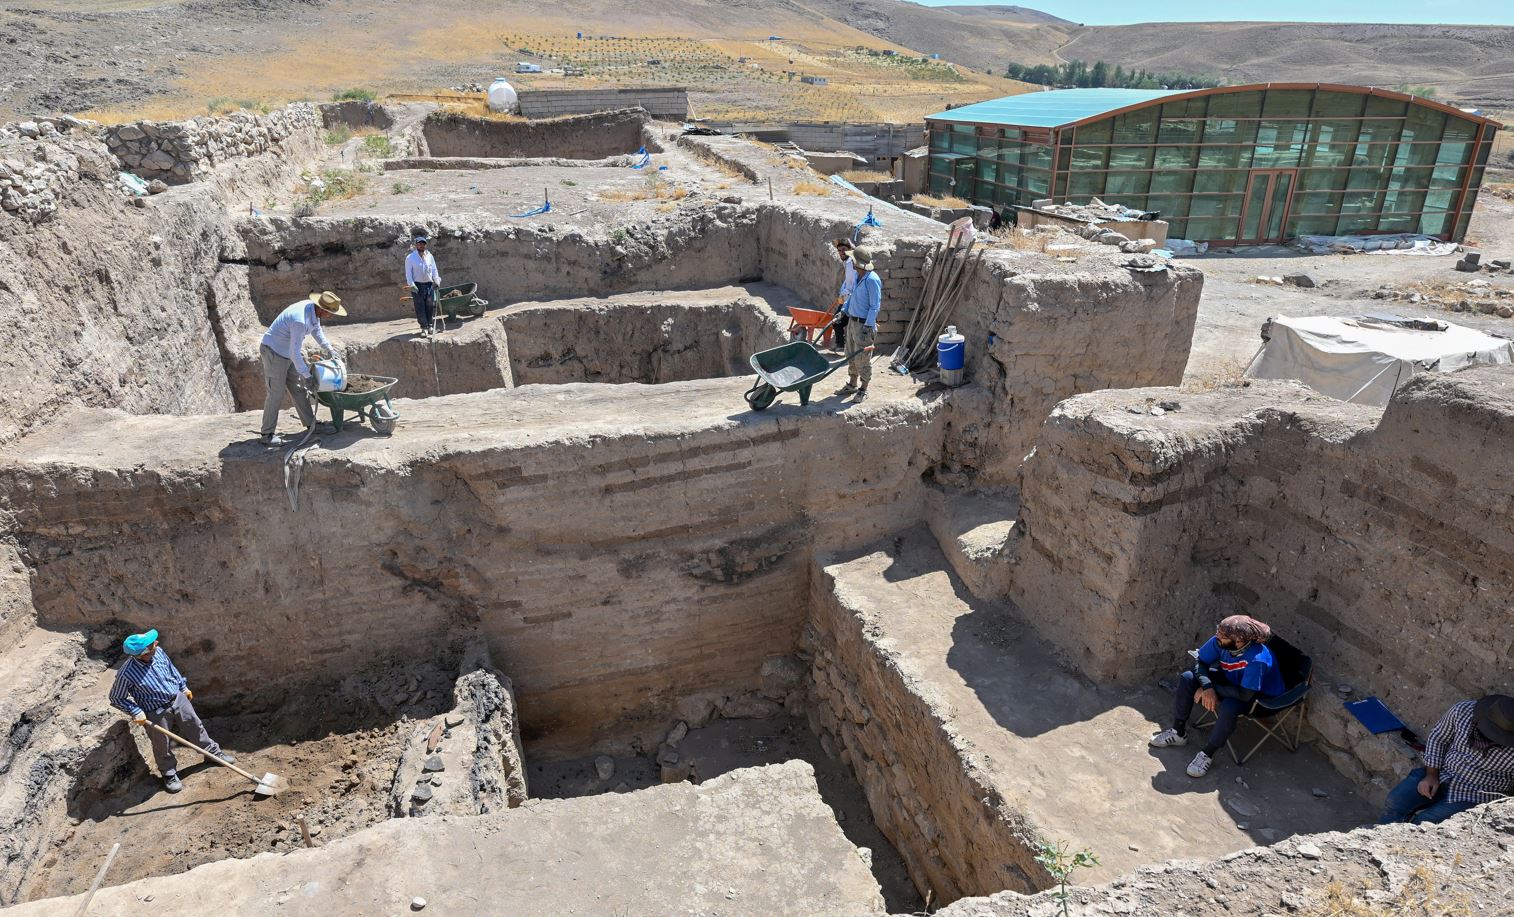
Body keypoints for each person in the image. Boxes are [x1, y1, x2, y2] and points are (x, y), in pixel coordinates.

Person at [1149, 614, 1285, 778]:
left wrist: (1212, 690)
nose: (1218, 639)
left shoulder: (1257, 660)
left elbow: (1244, 695)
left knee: (1229, 706)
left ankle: (1207, 754)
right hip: (1232, 680)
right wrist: (1207, 687)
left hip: (1258, 697)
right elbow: (1201, 662)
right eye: (1218, 634)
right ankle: (1178, 733)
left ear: (1240, 642)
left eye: (1224, 637)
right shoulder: (1221, 641)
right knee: (1188, 678)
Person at [108, 629, 233, 794]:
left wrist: (183, 686)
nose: (156, 644)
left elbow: (171, 669)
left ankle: (213, 753)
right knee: (162, 743)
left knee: (196, 726)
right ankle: (169, 773)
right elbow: (116, 697)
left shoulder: (158, 652)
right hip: (155, 711)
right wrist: (135, 711)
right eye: (152, 644)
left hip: (178, 699)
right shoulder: (126, 674)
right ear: (143, 653)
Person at [1378, 694, 1514, 825]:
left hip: (1477, 794)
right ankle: (1380, 841)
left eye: (1498, 735)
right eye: (1490, 730)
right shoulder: (1463, 711)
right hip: (1443, 772)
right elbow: (1439, 738)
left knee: (1424, 823)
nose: (1492, 736)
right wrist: (1431, 775)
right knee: (1396, 802)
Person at [259, 291, 344, 446]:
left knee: (298, 389)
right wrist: (307, 375)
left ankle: (311, 425)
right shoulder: (300, 320)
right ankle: (267, 434)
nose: (332, 316)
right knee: (275, 394)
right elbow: (295, 352)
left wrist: (330, 350)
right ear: (323, 309)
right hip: (274, 352)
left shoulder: (313, 311)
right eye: (331, 313)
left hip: (287, 353)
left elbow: (317, 331)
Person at [836, 246, 881, 402]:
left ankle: (863, 389)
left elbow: (875, 306)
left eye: (852, 260)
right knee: (850, 354)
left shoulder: (872, 280)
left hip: (863, 325)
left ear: (857, 262)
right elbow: (852, 298)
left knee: (862, 358)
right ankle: (852, 383)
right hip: (852, 321)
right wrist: (843, 311)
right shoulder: (857, 277)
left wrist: (868, 327)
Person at [405, 234, 442, 337]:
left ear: (425, 245)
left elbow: (434, 269)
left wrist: (437, 280)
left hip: (429, 285)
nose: (422, 246)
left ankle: (430, 325)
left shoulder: (430, 256)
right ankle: (424, 328)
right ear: (416, 245)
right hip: (417, 286)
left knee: (430, 306)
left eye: (423, 244)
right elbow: (408, 273)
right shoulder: (410, 258)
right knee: (420, 307)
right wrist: (411, 285)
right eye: (420, 244)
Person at [829, 238, 856, 352]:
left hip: (851, 299)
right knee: (839, 321)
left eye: (843, 249)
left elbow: (853, 285)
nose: (841, 252)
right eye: (839, 250)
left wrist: (844, 296)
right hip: (846, 298)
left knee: (837, 321)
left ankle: (842, 344)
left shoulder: (852, 264)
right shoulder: (847, 262)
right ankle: (842, 344)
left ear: (849, 249)